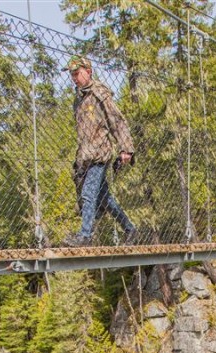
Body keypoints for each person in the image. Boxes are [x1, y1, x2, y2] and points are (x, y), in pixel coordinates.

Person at [65, 55, 137, 247]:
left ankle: (85, 235)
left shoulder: (99, 93)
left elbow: (117, 121)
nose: (74, 78)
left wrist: (126, 149)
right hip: (86, 156)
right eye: (72, 74)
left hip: (100, 153)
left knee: (89, 193)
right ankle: (130, 229)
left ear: (88, 72)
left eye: (77, 73)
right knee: (105, 198)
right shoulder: (78, 99)